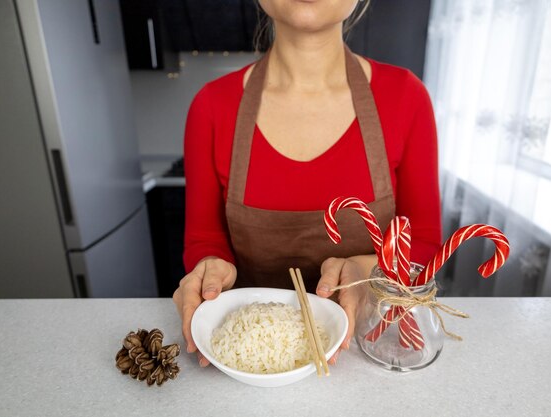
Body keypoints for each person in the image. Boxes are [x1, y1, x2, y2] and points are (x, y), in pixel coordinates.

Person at [173, 0, 442, 367]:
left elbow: (424, 241)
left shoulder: (406, 97)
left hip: (369, 354)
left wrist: (370, 269)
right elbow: (205, 240)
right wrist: (209, 268)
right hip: (252, 358)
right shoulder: (211, 107)